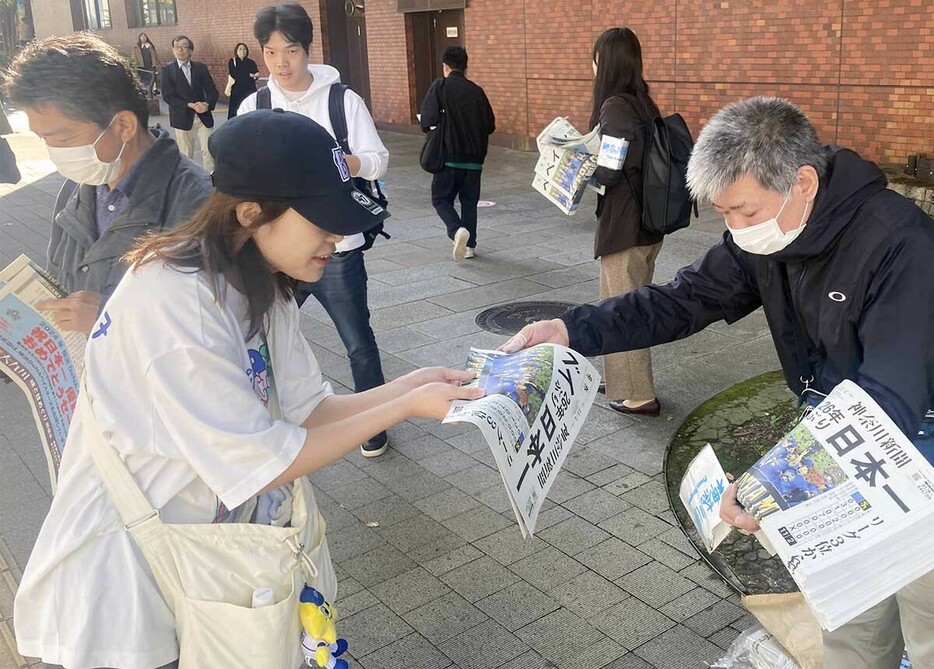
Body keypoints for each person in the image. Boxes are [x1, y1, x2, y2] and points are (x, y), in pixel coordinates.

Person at [13, 108, 483, 669]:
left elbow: (310, 412)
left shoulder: (263, 282)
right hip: (124, 579)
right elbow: (262, 464)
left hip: (198, 555)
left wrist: (410, 385)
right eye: (321, 221)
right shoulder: (176, 300)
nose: (336, 237)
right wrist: (404, 405)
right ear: (251, 212)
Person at [502, 96, 934, 669]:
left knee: (924, 613)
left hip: (915, 450)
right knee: (850, 615)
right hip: (836, 439)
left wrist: (783, 483)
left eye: (745, 212)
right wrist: (571, 328)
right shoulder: (772, 234)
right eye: (722, 212)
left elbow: (893, 392)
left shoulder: (901, 244)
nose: (735, 229)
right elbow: (685, 299)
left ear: (803, 182)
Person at [239, 3, 392, 457]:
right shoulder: (255, 105)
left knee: (358, 340)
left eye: (290, 50)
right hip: (275, 253)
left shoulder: (341, 100)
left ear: (307, 49)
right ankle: (262, 426)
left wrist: (346, 164)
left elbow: (378, 158)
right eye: (270, 53)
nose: (281, 63)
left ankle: (374, 425)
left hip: (336, 249)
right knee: (258, 339)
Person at [3, 33, 211, 335]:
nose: (54, 151)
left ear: (123, 126)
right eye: (43, 139)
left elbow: (209, 330)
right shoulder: (78, 185)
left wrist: (108, 321)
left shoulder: (198, 202)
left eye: (61, 139)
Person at [589, 27, 664, 416]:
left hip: (626, 227)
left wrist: (581, 169)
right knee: (617, 303)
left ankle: (638, 393)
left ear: (607, 62)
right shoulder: (641, 101)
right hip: (647, 224)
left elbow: (610, 170)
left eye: (596, 56)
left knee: (623, 308)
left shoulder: (615, 106)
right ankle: (619, 376)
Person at [419, 45, 495, 261]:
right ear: (465, 66)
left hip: (448, 158)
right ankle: (470, 247)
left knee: (441, 200)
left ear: (445, 66)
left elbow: (427, 120)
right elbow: (490, 125)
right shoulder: (477, 91)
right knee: (469, 203)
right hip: (474, 161)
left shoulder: (440, 87)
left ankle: (456, 230)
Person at [160, 35, 219, 171]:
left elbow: (212, 91)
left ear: (191, 51)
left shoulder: (200, 68)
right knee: (186, 155)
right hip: (182, 118)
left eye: (184, 47)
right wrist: (189, 105)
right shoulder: (168, 70)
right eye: (177, 47)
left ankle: (211, 183)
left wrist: (207, 104)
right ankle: (190, 184)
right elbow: (168, 96)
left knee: (208, 151)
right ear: (173, 50)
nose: (180, 50)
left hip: (203, 117)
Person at [227, 42, 259, 118]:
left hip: (249, 90)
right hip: (237, 91)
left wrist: (256, 75)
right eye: (240, 49)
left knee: (250, 111)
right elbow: (234, 74)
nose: (242, 51)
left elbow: (256, 72)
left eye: (244, 49)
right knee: (235, 112)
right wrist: (248, 75)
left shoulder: (251, 62)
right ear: (236, 51)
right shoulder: (233, 61)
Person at [132, 33, 162, 99]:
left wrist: (160, 63)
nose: (143, 38)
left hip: (151, 64)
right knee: (143, 77)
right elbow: (134, 56)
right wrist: (134, 64)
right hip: (142, 65)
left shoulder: (150, 46)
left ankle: (154, 90)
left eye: (144, 36)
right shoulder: (137, 47)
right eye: (141, 37)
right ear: (139, 38)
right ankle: (145, 89)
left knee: (152, 76)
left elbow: (156, 55)